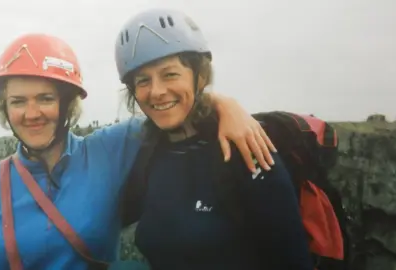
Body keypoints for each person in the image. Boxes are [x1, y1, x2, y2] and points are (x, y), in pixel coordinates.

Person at [0, 33, 276, 270]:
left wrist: (225, 105)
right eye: (18, 101)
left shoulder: (106, 151)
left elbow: (164, 106)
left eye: (46, 98)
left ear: (67, 104)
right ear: (4, 109)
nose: (32, 112)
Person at [116, 9, 314, 270]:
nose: (157, 92)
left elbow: (293, 260)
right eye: (143, 81)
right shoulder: (148, 152)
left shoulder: (246, 149)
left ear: (199, 76)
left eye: (170, 74)